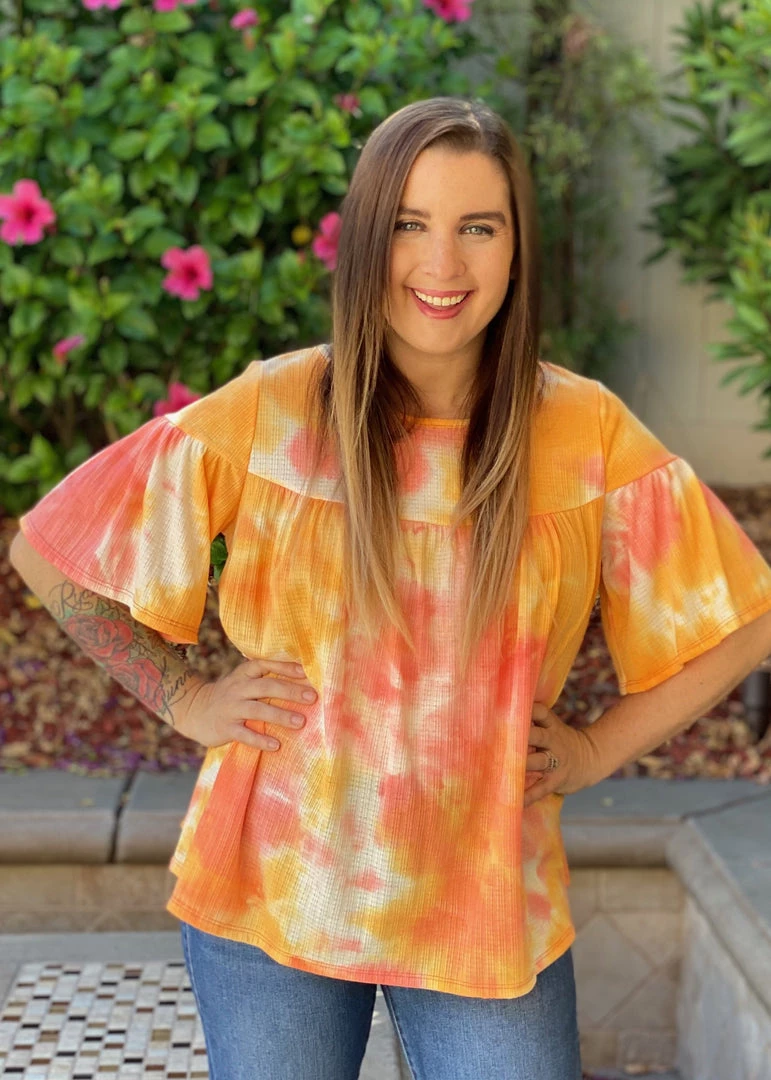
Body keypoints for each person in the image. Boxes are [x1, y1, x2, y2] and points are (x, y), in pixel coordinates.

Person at [9, 96, 771, 1080]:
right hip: (273, 889)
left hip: (486, 901)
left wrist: (593, 750)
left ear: (517, 248)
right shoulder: (274, 411)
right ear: (369, 239)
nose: (441, 263)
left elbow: (745, 620)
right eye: (410, 224)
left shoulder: (583, 432)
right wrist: (186, 698)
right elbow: (50, 553)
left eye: (477, 227)